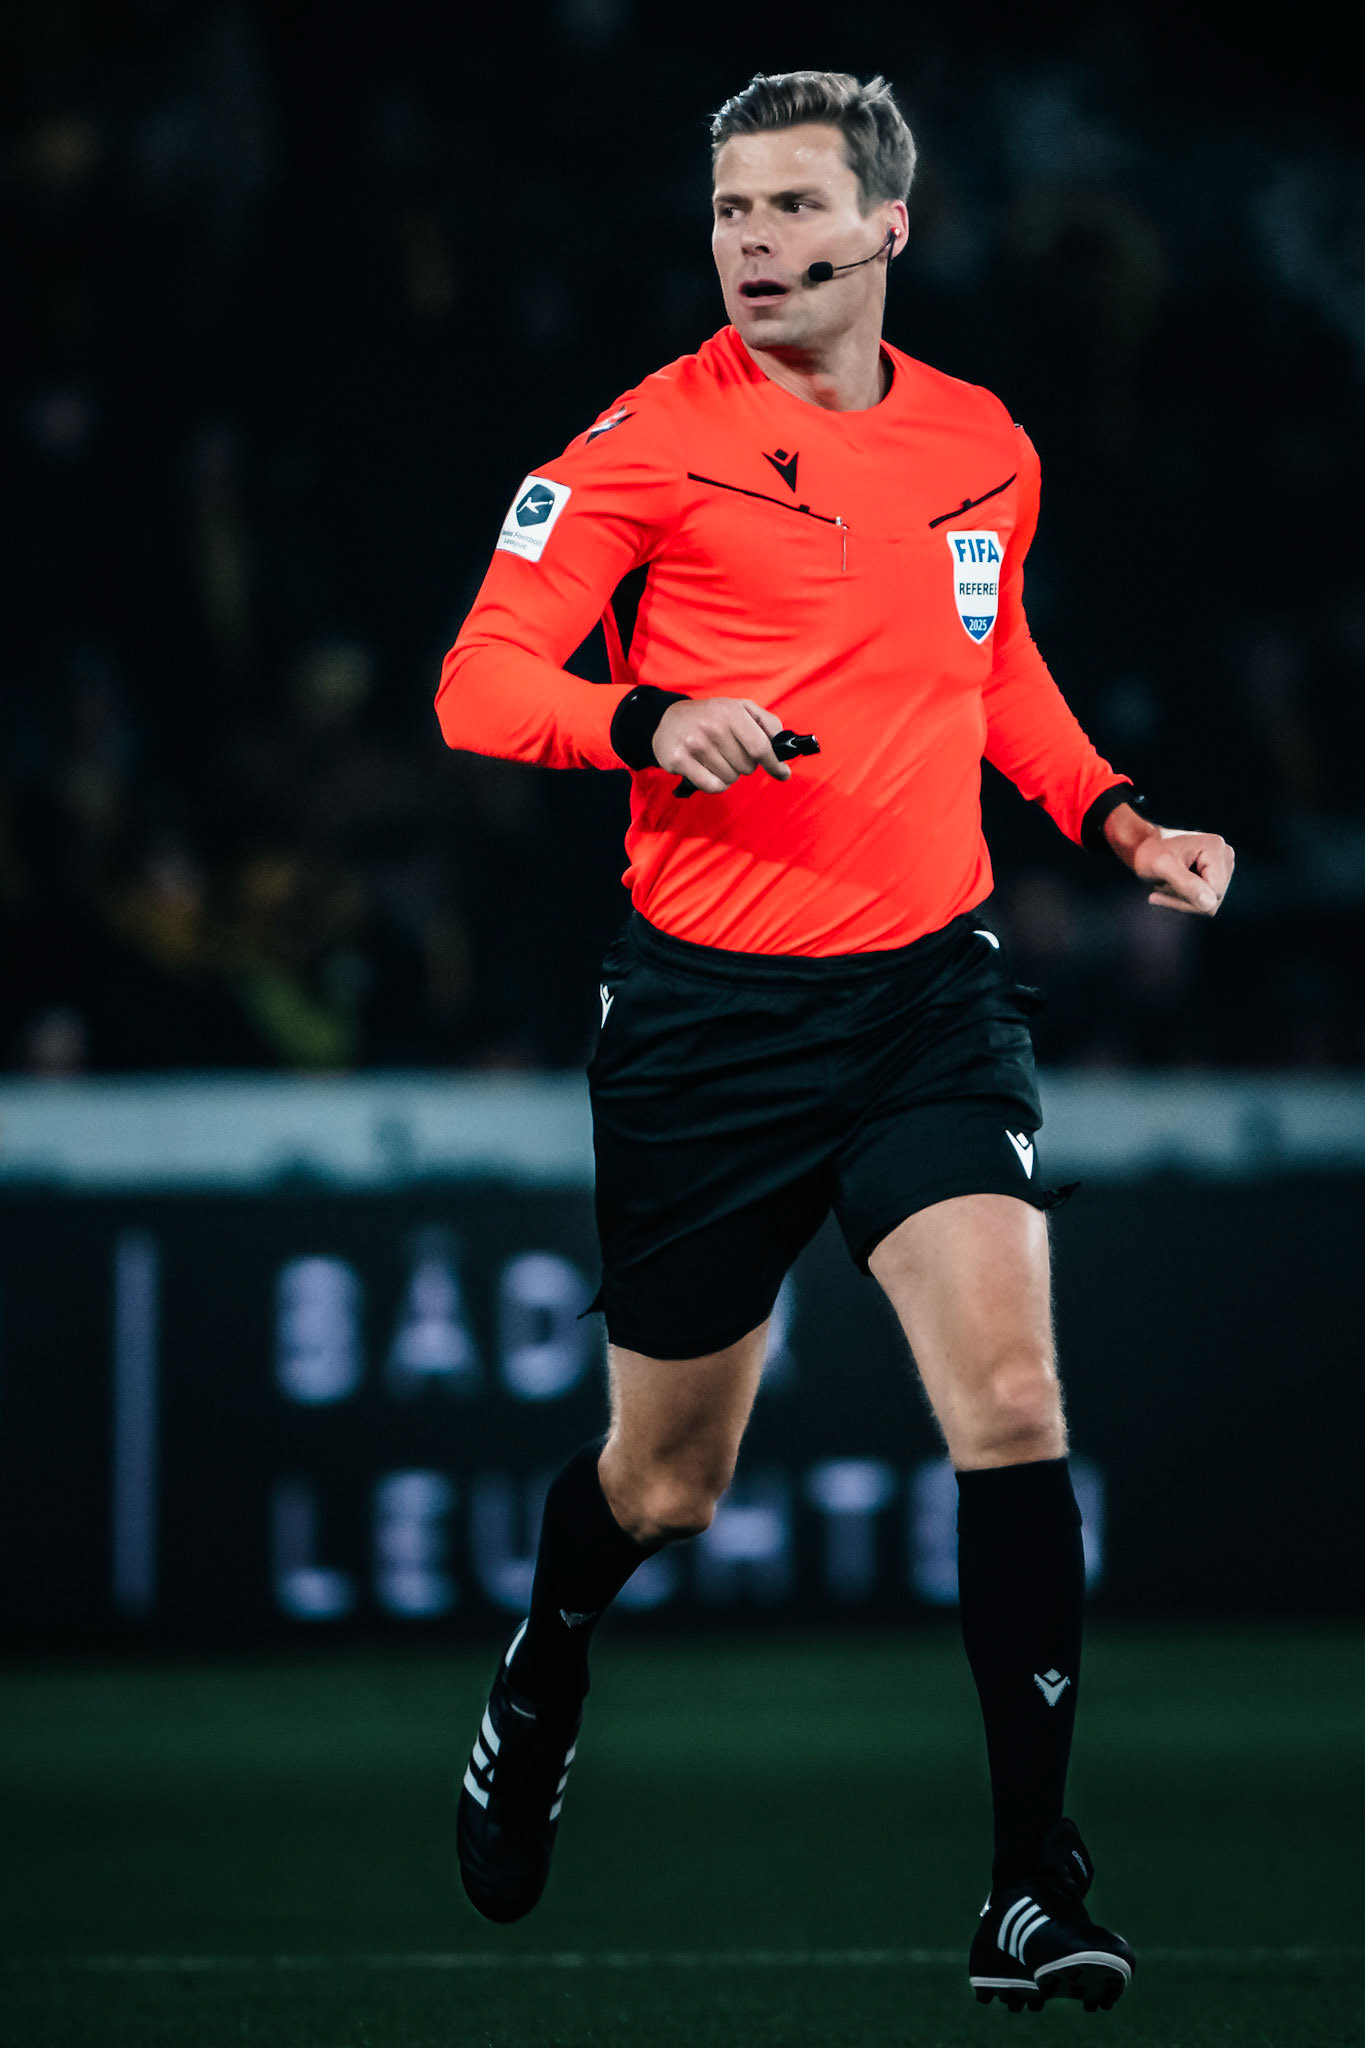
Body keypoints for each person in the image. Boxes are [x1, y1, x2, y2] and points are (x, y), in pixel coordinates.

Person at [435, 70, 1232, 2012]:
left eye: (790, 207)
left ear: (887, 228)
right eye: (726, 211)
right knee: (664, 1485)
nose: (751, 243)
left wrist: (1112, 818)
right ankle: (543, 1665)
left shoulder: (978, 445)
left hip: (925, 1000)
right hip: (707, 1021)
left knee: (1011, 1407)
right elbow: (480, 681)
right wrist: (639, 721)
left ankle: (1026, 1880)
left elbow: (988, 660)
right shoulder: (642, 444)